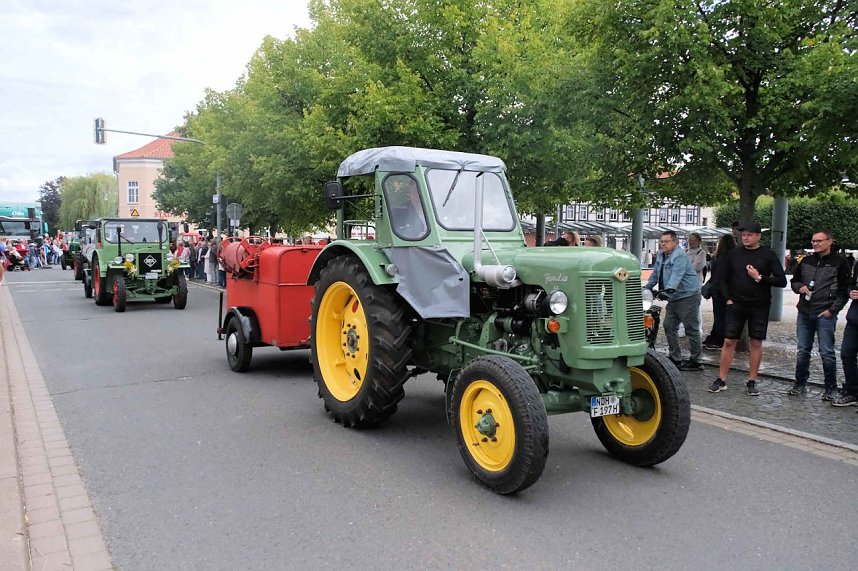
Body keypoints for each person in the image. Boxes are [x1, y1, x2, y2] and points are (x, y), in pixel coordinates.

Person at [708, 221, 787, 396]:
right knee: (729, 341)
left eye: (749, 235)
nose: (745, 238)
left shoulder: (768, 255)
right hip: (736, 303)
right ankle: (721, 379)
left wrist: (759, 277)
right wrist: (728, 298)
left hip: (759, 304)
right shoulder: (733, 254)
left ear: (758, 236)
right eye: (743, 235)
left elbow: (782, 280)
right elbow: (722, 278)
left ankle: (752, 380)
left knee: (756, 342)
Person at [787, 229, 850, 399]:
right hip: (805, 311)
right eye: (813, 241)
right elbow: (794, 281)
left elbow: (844, 290)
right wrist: (799, 287)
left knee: (827, 351)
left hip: (825, 312)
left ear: (830, 241)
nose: (815, 244)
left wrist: (832, 310)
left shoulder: (840, 262)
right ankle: (800, 383)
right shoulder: (806, 261)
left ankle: (830, 387)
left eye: (819, 241)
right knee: (802, 350)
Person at [644, 230, 703, 371]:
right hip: (674, 297)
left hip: (687, 295)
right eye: (661, 241)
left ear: (675, 242)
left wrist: (669, 290)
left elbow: (677, 275)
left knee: (691, 329)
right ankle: (675, 357)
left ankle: (696, 361)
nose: (663, 244)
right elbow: (655, 273)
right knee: (669, 325)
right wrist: (646, 288)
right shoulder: (660, 255)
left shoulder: (679, 256)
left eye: (666, 241)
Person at [831, 258, 858, 409]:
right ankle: (853, 392)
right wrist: (851, 292)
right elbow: (851, 284)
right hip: (855, 318)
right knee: (847, 354)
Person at [702, 234, 736, 349]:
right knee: (726, 317)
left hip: (719, 292)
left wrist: (713, 290)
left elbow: (716, 277)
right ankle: (720, 338)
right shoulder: (734, 258)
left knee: (719, 317)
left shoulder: (718, 259)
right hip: (731, 292)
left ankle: (718, 340)